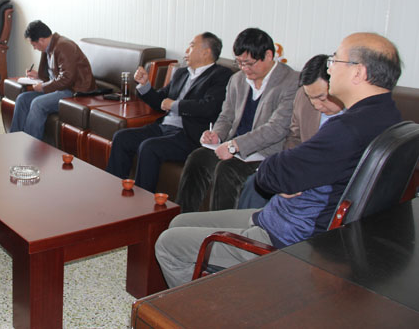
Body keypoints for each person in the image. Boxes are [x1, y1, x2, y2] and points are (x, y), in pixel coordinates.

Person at [155, 32, 402, 288]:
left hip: (286, 236)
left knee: (168, 243)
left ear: (358, 72)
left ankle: (197, 307)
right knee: (179, 221)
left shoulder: (347, 129)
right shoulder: (390, 118)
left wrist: (288, 174)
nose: (330, 69)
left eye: (334, 60)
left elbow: (270, 175)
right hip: (282, 217)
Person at [175, 28, 298, 212]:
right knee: (197, 158)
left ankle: (219, 227)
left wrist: (235, 146)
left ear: (268, 55)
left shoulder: (290, 81)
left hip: (265, 154)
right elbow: (226, 116)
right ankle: (183, 218)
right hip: (233, 147)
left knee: (228, 170)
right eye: (239, 62)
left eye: (249, 63)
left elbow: (276, 128)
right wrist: (217, 134)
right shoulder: (237, 80)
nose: (244, 68)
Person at [105, 33, 232, 192]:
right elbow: (160, 102)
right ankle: (113, 191)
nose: (186, 50)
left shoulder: (221, 75)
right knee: (122, 137)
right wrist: (145, 85)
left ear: (206, 52)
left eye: (192, 46)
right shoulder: (182, 73)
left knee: (149, 147)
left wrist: (174, 105)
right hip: (163, 128)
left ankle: (142, 201)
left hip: (188, 135)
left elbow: (209, 107)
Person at [237, 54, 345, 209]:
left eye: (322, 98)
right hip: (302, 169)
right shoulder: (302, 96)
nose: (316, 105)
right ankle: (247, 224)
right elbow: (294, 137)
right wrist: (290, 169)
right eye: (311, 97)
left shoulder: (355, 114)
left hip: (331, 180)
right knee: (255, 184)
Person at [10, 20, 96, 140]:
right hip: (60, 88)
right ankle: (14, 140)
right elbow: (54, 75)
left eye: (34, 45)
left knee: (38, 104)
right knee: (22, 99)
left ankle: (31, 146)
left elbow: (67, 78)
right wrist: (38, 76)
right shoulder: (49, 47)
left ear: (41, 40)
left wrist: (43, 87)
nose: (34, 48)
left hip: (75, 91)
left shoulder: (64, 46)